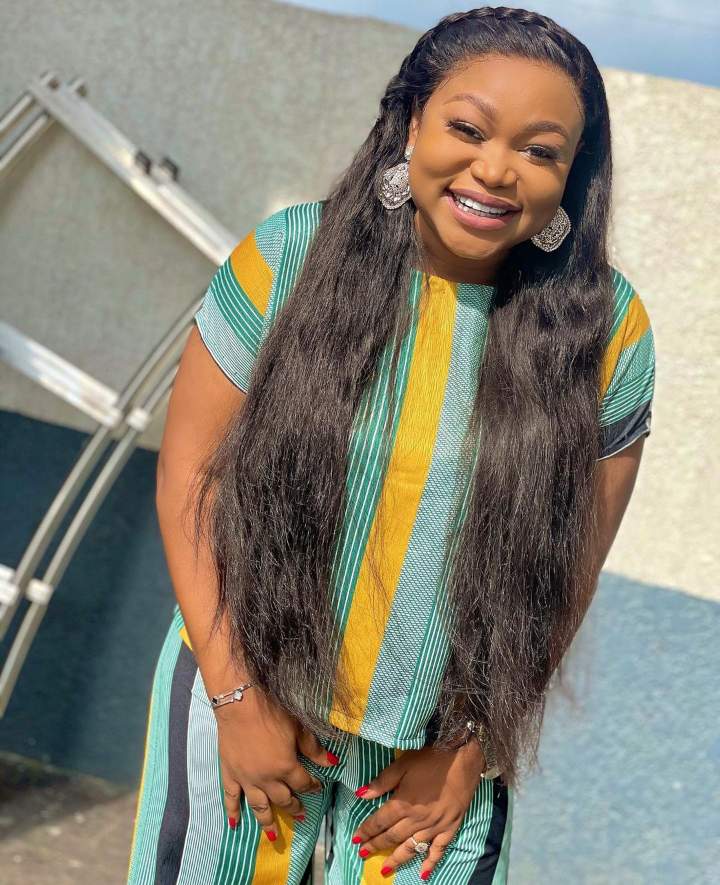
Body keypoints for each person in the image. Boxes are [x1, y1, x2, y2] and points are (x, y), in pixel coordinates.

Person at [127, 6, 656, 884]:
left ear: (572, 175)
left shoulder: (606, 331)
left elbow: (568, 566)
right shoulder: (288, 258)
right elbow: (191, 479)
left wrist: (471, 744)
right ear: (411, 124)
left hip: (442, 754)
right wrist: (236, 698)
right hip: (245, 699)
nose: (497, 169)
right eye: (468, 129)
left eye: (540, 150)